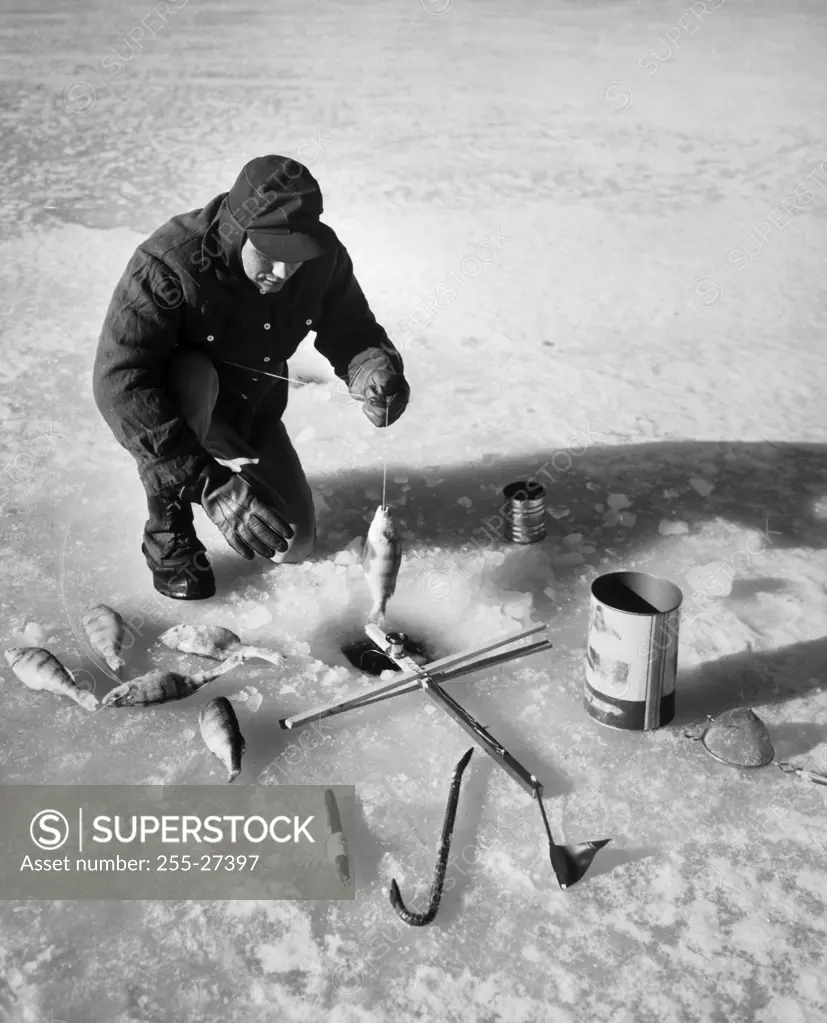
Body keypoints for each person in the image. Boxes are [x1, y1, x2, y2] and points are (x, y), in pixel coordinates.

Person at [93, 154, 410, 600]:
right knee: (191, 374)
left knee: (293, 546)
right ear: (239, 231)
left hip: (253, 411)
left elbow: (352, 329)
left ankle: (235, 466)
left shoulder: (324, 259)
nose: (281, 273)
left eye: (295, 258)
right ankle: (168, 527)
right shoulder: (167, 264)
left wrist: (375, 371)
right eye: (271, 255)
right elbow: (121, 382)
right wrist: (208, 483)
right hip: (179, 413)